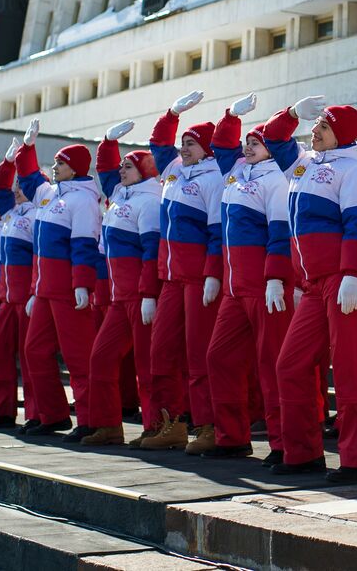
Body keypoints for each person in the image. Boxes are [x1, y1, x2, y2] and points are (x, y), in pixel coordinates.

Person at [263, 96, 357, 480]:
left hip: (343, 281)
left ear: (341, 135)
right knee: (289, 365)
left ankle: (356, 462)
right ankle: (303, 454)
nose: (314, 131)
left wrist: (350, 274)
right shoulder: (305, 163)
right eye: (316, 125)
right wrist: (292, 113)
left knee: (349, 370)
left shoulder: (354, 170)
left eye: (323, 127)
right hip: (313, 287)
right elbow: (273, 137)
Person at [201, 93, 294, 460]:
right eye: (247, 142)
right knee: (219, 358)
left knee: (273, 364)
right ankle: (232, 437)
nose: (248, 146)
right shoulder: (236, 171)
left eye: (256, 142)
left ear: (272, 148)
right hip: (234, 288)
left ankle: (284, 444)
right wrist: (231, 117)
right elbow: (222, 143)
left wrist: (275, 277)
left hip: (263, 286)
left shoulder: (278, 179)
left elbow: (281, 233)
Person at [136, 92, 222, 452]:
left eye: (192, 143)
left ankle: (208, 425)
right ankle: (168, 422)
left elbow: (217, 231)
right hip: (170, 279)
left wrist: (213, 274)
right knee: (161, 351)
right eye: (183, 142)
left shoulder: (215, 177)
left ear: (207, 148)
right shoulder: (172, 170)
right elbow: (157, 142)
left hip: (197, 278)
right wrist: (172, 113)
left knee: (198, 354)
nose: (184, 148)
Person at [16, 121, 104, 439]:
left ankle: (91, 420)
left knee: (78, 356)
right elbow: (27, 177)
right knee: (34, 350)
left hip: (68, 290)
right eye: (54, 163)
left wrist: (82, 283)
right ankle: (53, 415)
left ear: (76, 168)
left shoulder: (83, 200)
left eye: (60, 163)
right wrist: (27, 148)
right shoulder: (49, 194)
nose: (54, 168)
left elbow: (84, 244)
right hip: (44, 291)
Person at [78, 120, 163, 446]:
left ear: (144, 169)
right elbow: (105, 168)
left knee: (147, 364)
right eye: (122, 165)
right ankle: (108, 425)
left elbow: (150, 252)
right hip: (118, 299)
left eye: (129, 165)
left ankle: (156, 426)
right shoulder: (120, 195)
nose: (122, 169)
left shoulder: (149, 201)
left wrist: (147, 294)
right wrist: (108, 142)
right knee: (100, 358)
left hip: (139, 297)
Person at [0, 142, 36, 430]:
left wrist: (31, 292)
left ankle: (37, 414)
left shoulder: (38, 212)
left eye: (22, 184)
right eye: (16, 185)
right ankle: (2, 411)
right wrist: (8, 161)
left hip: (27, 297)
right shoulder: (11, 214)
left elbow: (38, 258)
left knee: (31, 358)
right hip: (7, 299)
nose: (16, 189)